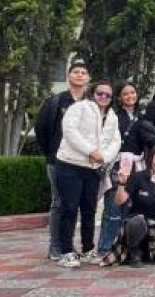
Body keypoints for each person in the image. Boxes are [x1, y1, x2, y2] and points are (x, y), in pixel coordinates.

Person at [55, 81, 122, 268]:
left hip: (93, 169)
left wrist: (104, 157)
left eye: (108, 95)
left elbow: (115, 141)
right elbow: (69, 132)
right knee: (69, 208)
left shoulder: (112, 116)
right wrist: (91, 151)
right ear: (93, 93)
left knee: (89, 210)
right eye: (100, 93)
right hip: (70, 165)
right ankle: (66, 251)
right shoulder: (79, 108)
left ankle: (87, 249)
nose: (103, 97)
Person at [35, 61, 88, 261]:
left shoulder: (90, 104)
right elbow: (41, 130)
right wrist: (53, 153)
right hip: (58, 162)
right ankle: (55, 247)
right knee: (59, 203)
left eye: (83, 72)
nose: (80, 75)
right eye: (76, 72)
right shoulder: (56, 102)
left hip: (82, 163)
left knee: (73, 204)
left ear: (87, 78)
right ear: (69, 76)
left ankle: (68, 244)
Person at [97, 81, 143, 263]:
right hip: (117, 165)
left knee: (129, 208)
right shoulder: (113, 116)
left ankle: (122, 249)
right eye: (125, 94)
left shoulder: (142, 116)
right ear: (119, 97)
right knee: (112, 209)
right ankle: (105, 249)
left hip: (137, 166)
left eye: (133, 92)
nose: (130, 96)